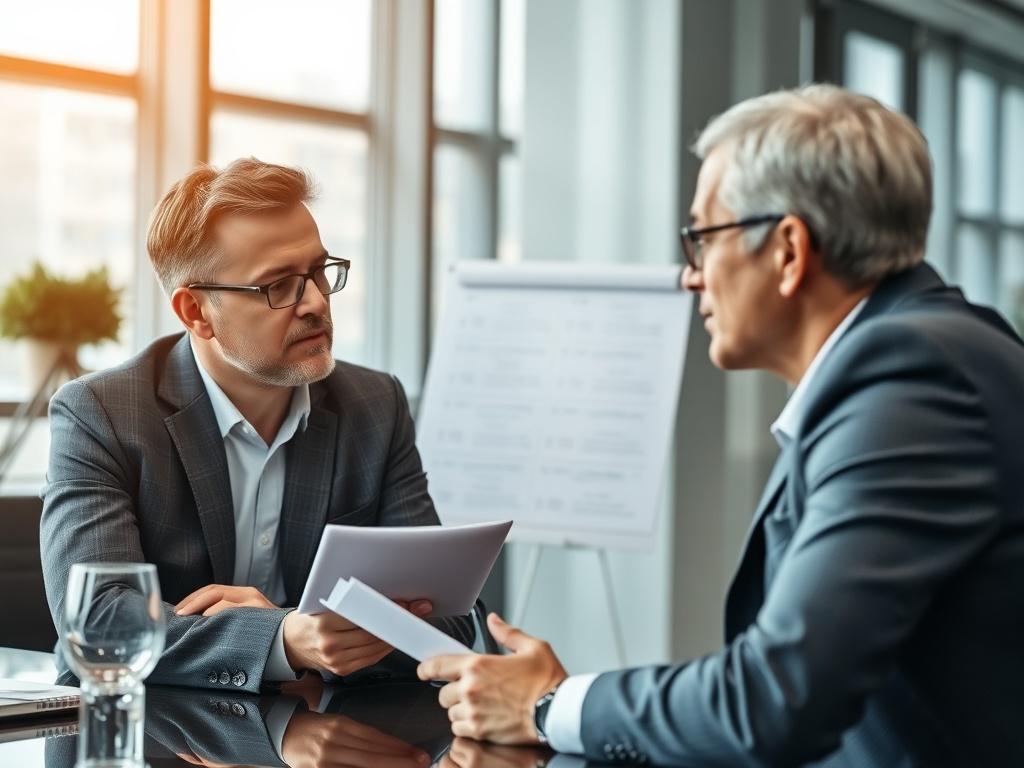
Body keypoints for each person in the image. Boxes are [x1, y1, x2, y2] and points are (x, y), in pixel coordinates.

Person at [418, 84, 1024, 767]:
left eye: (704, 238)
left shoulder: (910, 379)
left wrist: (548, 705)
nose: (690, 277)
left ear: (790, 251)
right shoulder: (931, 348)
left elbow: (777, 699)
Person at [41, 158, 473, 693]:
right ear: (196, 312)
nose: (316, 302)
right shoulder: (102, 413)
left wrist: (290, 627)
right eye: (278, 285)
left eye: (318, 271)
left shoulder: (375, 405)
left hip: (327, 734)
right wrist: (283, 638)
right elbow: (97, 623)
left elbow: (449, 622)